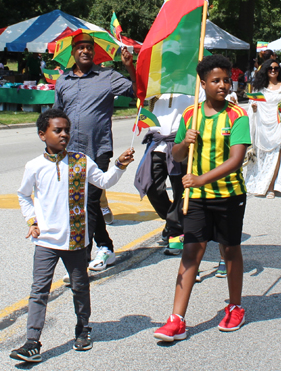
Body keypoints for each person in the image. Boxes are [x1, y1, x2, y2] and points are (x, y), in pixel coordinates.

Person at [11, 109, 134, 363]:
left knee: (80, 286)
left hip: (77, 240)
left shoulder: (81, 161)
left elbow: (104, 182)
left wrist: (120, 165)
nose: (64, 134)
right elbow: (23, 195)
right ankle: (32, 342)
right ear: (42, 135)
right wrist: (32, 221)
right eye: (58, 130)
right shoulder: (34, 166)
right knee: (39, 291)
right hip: (45, 241)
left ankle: (83, 328)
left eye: (66, 130)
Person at [153, 54, 251, 342]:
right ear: (203, 83)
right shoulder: (190, 115)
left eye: (226, 80)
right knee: (191, 251)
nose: (222, 85)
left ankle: (235, 307)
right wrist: (185, 141)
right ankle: (176, 319)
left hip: (229, 195)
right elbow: (177, 155)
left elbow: (236, 160)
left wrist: (200, 179)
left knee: (230, 250)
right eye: (216, 80)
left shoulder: (237, 116)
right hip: (195, 198)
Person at [54, 31, 136, 271]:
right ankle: (106, 246)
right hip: (70, 151)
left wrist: (130, 67)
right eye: (80, 47)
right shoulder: (63, 81)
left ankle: (82, 259)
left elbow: (137, 90)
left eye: (89, 47)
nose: (85, 50)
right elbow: (57, 116)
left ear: (94, 51)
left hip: (98, 148)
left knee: (89, 201)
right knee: (82, 202)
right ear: (73, 52)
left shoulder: (108, 76)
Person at [134, 93, 193, 254]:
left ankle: (175, 234)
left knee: (180, 191)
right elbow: (139, 92)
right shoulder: (158, 85)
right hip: (158, 144)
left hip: (180, 144)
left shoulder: (191, 84)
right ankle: (173, 223)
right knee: (151, 185)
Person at [245, 59, 281, 198]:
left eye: (276, 68)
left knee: (277, 155)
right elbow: (253, 106)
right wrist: (254, 109)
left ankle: (270, 187)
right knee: (263, 156)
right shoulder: (259, 87)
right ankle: (261, 182)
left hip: (279, 125)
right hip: (262, 125)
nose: (273, 70)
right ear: (265, 70)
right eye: (270, 68)